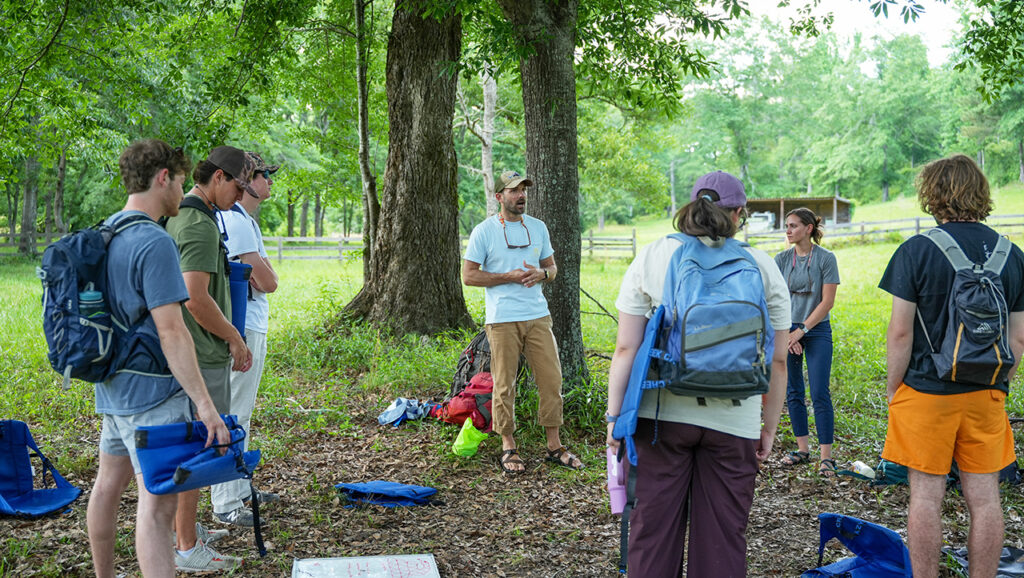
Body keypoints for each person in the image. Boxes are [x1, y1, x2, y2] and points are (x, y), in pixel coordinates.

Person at [606, 171, 789, 576]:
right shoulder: (761, 265)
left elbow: (625, 348)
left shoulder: (653, 256)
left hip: (660, 419)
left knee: (652, 534)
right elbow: (778, 360)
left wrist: (614, 418)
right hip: (735, 422)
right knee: (723, 538)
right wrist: (769, 428)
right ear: (739, 214)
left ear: (691, 207)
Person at [85, 139, 233, 577]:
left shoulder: (104, 232)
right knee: (156, 511)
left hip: (111, 390)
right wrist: (207, 408)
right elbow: (173, 331)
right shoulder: (154, 241)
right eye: (181, 180)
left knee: (107, 487)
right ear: (163, 177)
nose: (181, 192)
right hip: (153, 398)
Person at [879, 154, 1024, 578]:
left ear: (933, 194)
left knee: (926, 497)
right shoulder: (1011, 254)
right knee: (986, 498)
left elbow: (900, 334)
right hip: (986, 393)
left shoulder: (916, 250)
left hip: (926, 393)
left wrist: (894, 390)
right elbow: (1018, 339)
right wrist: (999, 384)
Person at [165, 145, 253, 570]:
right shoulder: (197, 224)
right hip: (200, 354)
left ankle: (186, 528)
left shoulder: (186, 214)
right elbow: (196, 299)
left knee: (192, 446)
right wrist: (235, 338)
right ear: (218, 177)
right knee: (200, 451)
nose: (241, 196)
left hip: (190, 352)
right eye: (238, 186)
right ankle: (186, 548)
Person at [462, 169, 584, 473]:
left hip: (538, 317)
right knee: (504, 384)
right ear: (499, 196)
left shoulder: (538, 228)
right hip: (502, 319)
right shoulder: (484, 231)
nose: (521, 196)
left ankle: (554, 446)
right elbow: (468, 276)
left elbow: (552, 268)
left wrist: (542, 274)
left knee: (551, 381)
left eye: (524, 190)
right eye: (514, 191)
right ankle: (508, 446)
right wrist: (508, 277)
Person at [211, 151, 281, 524]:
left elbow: (265, 277)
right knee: (234, 410)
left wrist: (264, 270)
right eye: (264, 174)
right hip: (243, 326)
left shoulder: (245, 221)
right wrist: (265, 271)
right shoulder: (235, 222)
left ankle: (238, 487)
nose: (270, 180)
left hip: (253, 322)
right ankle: (225, 502)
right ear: (246, 181)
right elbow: (267, 281)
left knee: (244, 412)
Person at [775, 208, 840, 476]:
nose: (788, 230)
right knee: (793, 392)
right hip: (787, 330)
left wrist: (800, 332)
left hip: (816, 330)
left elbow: (827, 302)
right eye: (786, 226)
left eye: (793, 226)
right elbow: (775, 301)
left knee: (819, 392)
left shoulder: (826, 258)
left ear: (808, 229)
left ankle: (826, 457)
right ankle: (803, 449)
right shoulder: (780, 259)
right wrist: (787, 335)